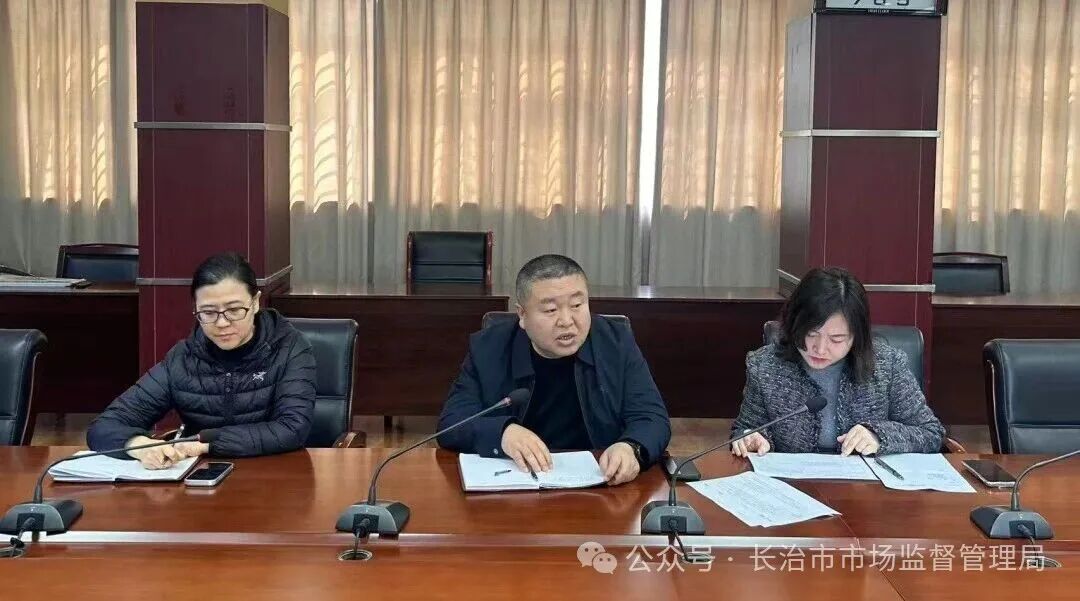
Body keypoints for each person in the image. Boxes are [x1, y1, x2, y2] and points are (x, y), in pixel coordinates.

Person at [437, 254, 671, 485]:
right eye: (550, 310)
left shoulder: (616, 343)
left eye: (577, 305)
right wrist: (503, 432)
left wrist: (631, 447)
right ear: (522, 315)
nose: (566, 320)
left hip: (600, 482)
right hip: (516, 485)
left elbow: (652, 417)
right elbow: (452, 422)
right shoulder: (489, 348)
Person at [87, 252, 316, 468]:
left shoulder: (290, 347)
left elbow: (292, 428)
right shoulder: (183, 359)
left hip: (275, 474)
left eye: (234, 310)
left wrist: (207, 445)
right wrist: (139, 446)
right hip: (199, 479)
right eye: (208, 312)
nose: (222, 323)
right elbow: (104, 427)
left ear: (255, 302)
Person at [731, 267, 945, 457]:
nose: (820, 349)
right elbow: (746, 428)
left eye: (836, 339)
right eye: (811, 334)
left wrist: (880, 436)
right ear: (794, 324)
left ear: (856, 336)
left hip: (867, 487)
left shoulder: (887, 365)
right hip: (790, 483)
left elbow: (930, 433)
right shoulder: (765, 366)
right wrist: (751, 438)